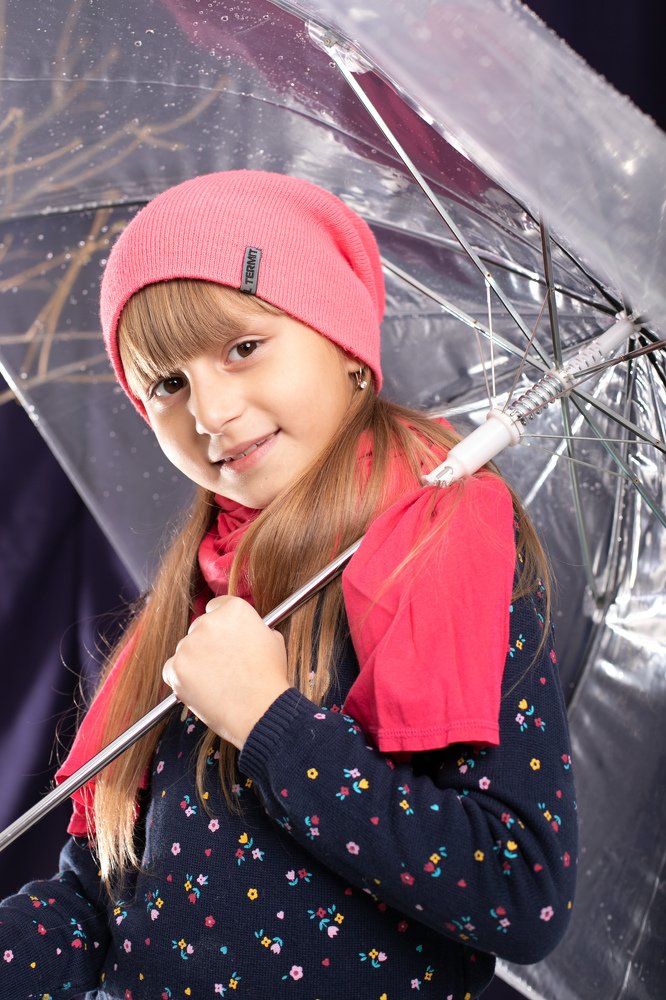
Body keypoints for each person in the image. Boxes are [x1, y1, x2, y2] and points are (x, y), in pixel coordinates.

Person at [0, 171, 577, 999]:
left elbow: (519, 891)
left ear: (342, 340)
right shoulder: (197, 604)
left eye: (242, 347)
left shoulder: (443, 548)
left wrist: (269, 721)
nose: (210, 413)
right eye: (167, 384)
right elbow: (103, 904)